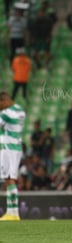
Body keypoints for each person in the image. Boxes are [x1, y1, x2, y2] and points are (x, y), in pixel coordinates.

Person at [0, 92, 26, 221]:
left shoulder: (6, 113)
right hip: (16, 147)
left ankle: (13, 213)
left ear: (4, 101)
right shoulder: (20, 110)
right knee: (11, 179)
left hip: (8, 148)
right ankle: (13, 212)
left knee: (9, 179)